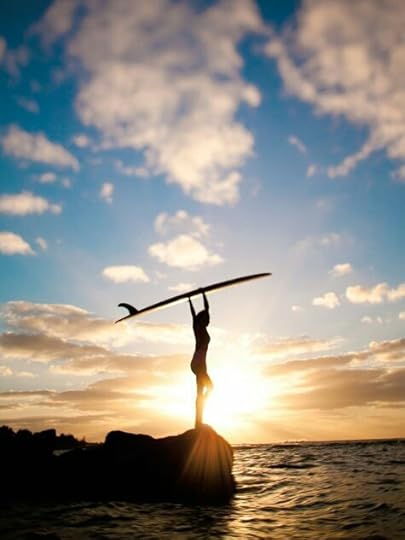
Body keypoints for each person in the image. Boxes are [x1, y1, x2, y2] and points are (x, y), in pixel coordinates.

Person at [189, 291, 213, 428]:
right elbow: (194, 314)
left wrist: (202, 295)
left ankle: (198, 419)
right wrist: (193, 298)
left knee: (206, 389)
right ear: (203, 319)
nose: (208, 321)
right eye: (207, 319)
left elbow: (206, 309)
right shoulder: (198, 328)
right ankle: (198, 422)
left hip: (199, 364)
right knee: (207, 388)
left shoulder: (199, 328)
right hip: (198, 364)